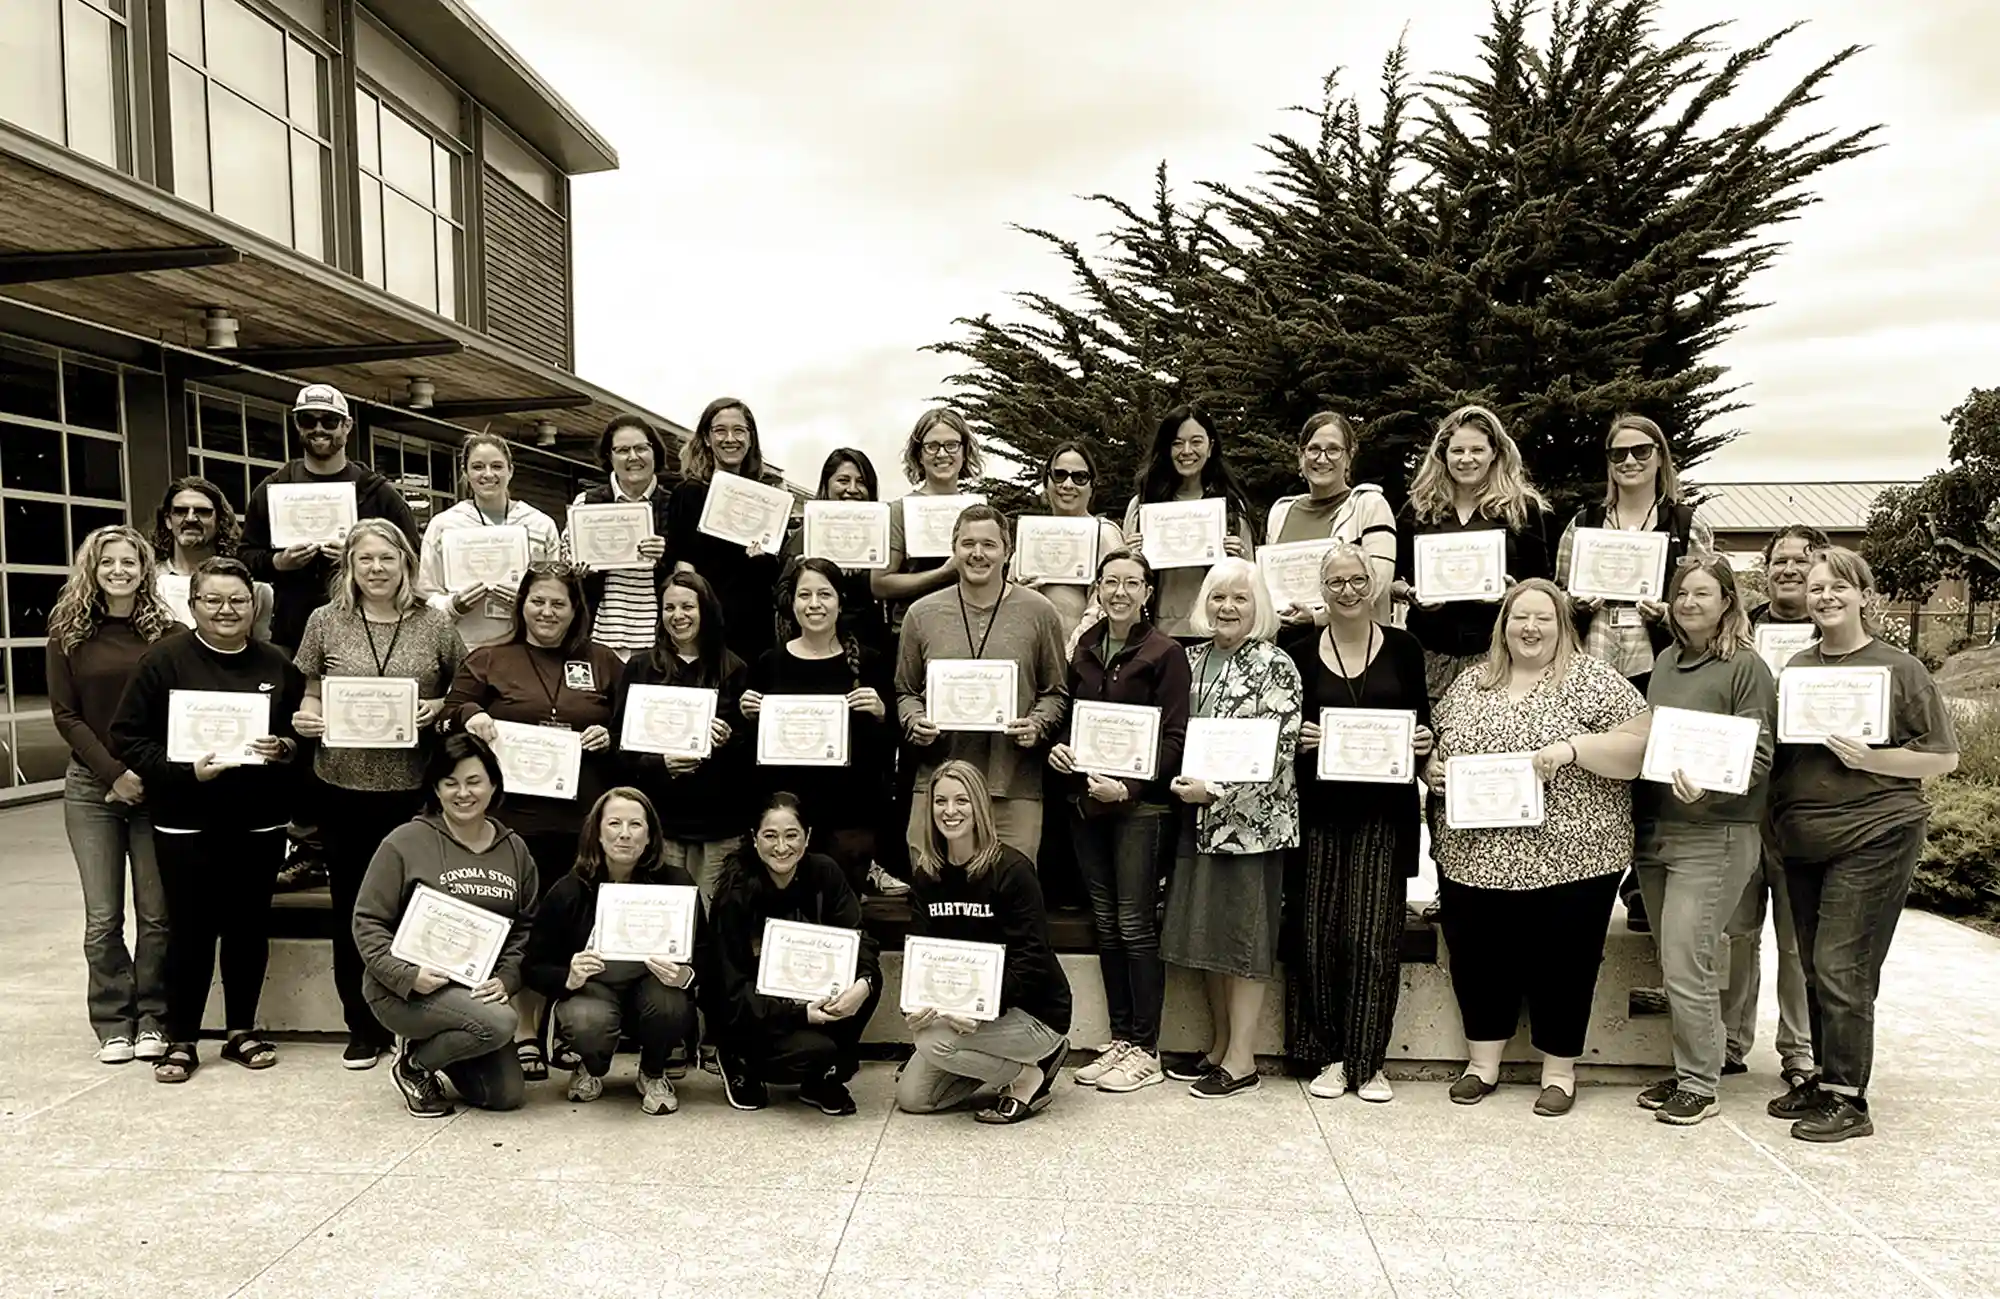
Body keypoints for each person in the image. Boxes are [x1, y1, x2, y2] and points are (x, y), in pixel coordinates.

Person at [1424, 579, 1648, 1116]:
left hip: (1574, 856)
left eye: (1543, 618)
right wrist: (1432, 770)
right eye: (1519, 617)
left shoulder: (1594, 681)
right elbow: (1438, 747)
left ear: (1562, 625)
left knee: (1565, 964)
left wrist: (1574, 749)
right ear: (1503, 624)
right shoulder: (1470, 683)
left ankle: (1559, 1072)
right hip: (1473, 859)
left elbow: (1639, 749)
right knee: (1478, 960)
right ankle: (1483, 1064)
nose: (1530, 628)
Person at [1765, 548, 1959, 1143]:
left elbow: (1943, 757)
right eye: (1817, 588)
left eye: (1838, 588)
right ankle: (1825, 1078)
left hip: (1875, 831)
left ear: (1862, 595)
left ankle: (1849, 1099)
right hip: (1804, 838)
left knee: (1840, 965)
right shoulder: (1796, 669)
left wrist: (1873, 759)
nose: (1825, 597)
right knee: (1816, 969)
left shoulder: (1898, 669)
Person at [110, 558, 305, 1084]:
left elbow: (300, 736)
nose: (226, 610)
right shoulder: (165, 661)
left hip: (258, 821)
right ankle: (183, 1038)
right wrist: (183, 770)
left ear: (254, 606)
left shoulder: (276, 663)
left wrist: (284, 746)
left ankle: (242, 1030)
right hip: (185, 820)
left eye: (237, 600)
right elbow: (127, 736)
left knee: (248, 928)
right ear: (193, 606)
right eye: (213, 600)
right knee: (190, 932)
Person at [290, 521, 465, 1070]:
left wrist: (436, 709)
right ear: (350, 566)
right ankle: (361, 1025)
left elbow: (462, 691)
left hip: (411, 792)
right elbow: (310, 693)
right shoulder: (326, 621)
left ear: (405, 563)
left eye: (386, 558)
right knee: (356, 908)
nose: (376, 569)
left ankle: (414, 1018)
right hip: (342, 786)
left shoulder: (434, 623)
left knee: (417, 909)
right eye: (364, 559)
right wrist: (308, 719)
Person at [446, 561, 622, 1080]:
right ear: (522, 604)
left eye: (559, 603)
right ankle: (523, 1032)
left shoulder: (604, 661)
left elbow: (626, 723)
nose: (547, 612)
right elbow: (455, 705)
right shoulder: (490, 657)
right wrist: (470, 717)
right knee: (521, 929)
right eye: (538, 601)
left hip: (582, 823)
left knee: (572, 929)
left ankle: (564, 1028)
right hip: (513, 822)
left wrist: (607, 736)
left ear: (575, 610)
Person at [1631, 556, 1776, 1125]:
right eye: (1682, 594)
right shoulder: (1666, 661)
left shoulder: (1746, 667)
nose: (1690, 603)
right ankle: (1691, 1066)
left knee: (1689, 963)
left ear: (1727, 602)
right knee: (1675, 962)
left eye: (1703, 594)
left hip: (1713, 832)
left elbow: (1759, 755)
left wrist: (1709, 795)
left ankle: (1700, 1084)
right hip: (1658, 829)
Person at [1285, 545, 1433, 1102]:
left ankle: (1368, 1062)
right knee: (1318, 936)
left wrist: (1423, 743)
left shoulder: (1404, 647)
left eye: (1356, 580)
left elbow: (1422, 724)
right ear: (1321, 589)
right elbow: (1284, 732)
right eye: (1335, 581)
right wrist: (1301, 740)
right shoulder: (1297, 652)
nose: (1347, 591)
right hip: (1320, 810)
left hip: (1383, 813)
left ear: (1373, 585)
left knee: (1372, 938)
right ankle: (1329, 1055)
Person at [1556, 414, 1714, 931]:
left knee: (1655, 776)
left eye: (1641, 452)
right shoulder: (1582, 523)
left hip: (1660, 661)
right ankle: (1586, 879)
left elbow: (1707, 599)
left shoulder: (1687, 525)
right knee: (1594, 772)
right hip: (1595, 663)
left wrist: (1668, 612)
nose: (1629, 462)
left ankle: (1643, 889)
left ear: (1660, 458)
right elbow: (1557, 601)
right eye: (1619, 453)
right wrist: (1576, 603)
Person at [1158, 559, 1303, 1099]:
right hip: (1194, 823)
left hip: (1250, 827)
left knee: (1243, 940)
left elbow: (1278, 752)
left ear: (1258, 606)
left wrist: (1215, 792)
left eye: (1240, 599)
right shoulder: (1188, 660)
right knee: (1210, 937)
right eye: (1218, 597)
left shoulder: (1276, 665)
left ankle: (1242, 1060)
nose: (1227, 608)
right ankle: (1220, 1047)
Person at [1050, 549, 1190, 1094]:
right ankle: (1120, 1039)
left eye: (1132, 583)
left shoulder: (1166, 653)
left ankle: (1145, 1047)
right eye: (1111, 582)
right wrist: (1062, 753)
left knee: (1134, 924)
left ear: (1148, 593)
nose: (1120, 593)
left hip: (1139, 809)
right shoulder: (1084, 648)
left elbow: (1175, 738)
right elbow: (1074, 721)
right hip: (1088, 806)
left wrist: (1129, 786)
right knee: (1106, 923)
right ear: (1098, 591)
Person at [352, 733, 538, 1117]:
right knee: (502, 1022)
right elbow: (367, 921)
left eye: (474, 782)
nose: (463, 793)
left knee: (504, 1096)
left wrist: (506, 978)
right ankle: (414, 1067)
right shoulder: (404, 842)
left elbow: (526, 927)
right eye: (450, 783)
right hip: (405, 991)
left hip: (474, 992)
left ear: (493, 785)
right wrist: (407, 974)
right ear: (435, 788)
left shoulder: (515, 849)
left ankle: (434, 1050)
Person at [49, 525, 181, 1064]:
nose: (120, 571)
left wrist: (144, 772)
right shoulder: (69, 632)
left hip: (153, 784)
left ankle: (153, 1017)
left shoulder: (168, 632)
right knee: (103, 916)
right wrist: (112, 775)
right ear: (93, 569)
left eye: (130, 562)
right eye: (109, 563)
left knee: (156, 913)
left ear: (145, 569)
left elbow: (178, 707)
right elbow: (66, 715)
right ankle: (113, 1021)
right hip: (90, 787)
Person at [896, 762, 1073, 1124]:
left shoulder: (1013, 870)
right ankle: (998, 1063)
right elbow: (922, 953)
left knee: (933, 1043)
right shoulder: (927, 876)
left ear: (979, 806)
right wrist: (914, 1006)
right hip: (963, 1010)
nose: (950, 811)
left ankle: (1028, 1075)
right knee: (913, 1098)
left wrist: (984, 1008)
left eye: (962, 800)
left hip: (1033, 1013)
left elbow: (1032, 959)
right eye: (940, 801)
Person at [894, 505, 1069, 865]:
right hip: (938, 787)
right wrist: (915, 722)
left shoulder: (1040, 612)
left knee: (1010, 904)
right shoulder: (921, 614)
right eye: (967, 543)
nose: (977, 553)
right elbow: (906, 692)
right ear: (953, 549)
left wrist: (1037, 725)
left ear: (1008, 551)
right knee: (935, 902)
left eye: (989, 544)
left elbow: (1055, 692)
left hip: (1013, 785)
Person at [1722, 523, 1830, 1086]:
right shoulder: (1742, 632)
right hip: (1744, 802)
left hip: (1806, 804)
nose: (1789, 569)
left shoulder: (1838, 635)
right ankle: (1730, 1042)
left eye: (1802, 559)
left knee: (1795, 938)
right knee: (1738, 934)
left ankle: (1799, 1050)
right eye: (1779, 560)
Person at [523, 787, 704, 1114]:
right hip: (594, 991)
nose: (624, 834)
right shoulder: (569, 890)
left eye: (635, 825)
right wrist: (570, 975)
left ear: (650, 836)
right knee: (585, 1020)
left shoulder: (676, 884)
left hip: (652, 989)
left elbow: (705, 952)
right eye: (614, 824)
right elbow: (534, 965)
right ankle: (590, 1066)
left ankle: (652, 1073)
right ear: (597, 833)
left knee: (671, 1004)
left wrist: (686, 975)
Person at [708, 792, 884, 1116]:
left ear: (808, 837)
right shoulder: (734, 895)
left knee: (870, 979)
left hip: (813, 998)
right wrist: (799, 1014)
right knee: (819, 1049)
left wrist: (863, 985)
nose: (782, 847)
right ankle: (738, 1060)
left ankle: (822, 1080)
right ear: (753, 838)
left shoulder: (825, 873)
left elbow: (861, 941)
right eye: (770, 836)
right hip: (754, 1014)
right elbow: (729, 993)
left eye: (792, 835)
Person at [741, 558, 900, 897]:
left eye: (824, 594)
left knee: (841, 919)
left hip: (849, 821)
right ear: (792, 603)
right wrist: (749, 716)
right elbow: (752, 754)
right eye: (805, 595)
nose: (814, 604)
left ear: (840, 602)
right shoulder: (769, 663)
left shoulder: (869, 662)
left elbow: (889, 747)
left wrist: (882, 713)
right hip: (788, 823)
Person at [1393, 405, 1558, 703]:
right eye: (1457, 451)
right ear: (1442, 455)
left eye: (1477, 450)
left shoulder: (1521, 508)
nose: (1466, 459)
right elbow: (1394, 580)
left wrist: (1514, 594)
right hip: (1429, 651)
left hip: (1499, 653)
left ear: (1495, 452)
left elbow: (1544, 585)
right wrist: (1410, 594)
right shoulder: (1418, 509)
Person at [237, 384, 419, 652]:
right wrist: (278, 562)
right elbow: (245, 556)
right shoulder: (273, 489)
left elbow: (412, 554)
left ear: (347, 425)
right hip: (293, 633)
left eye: (330, 420)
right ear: (297, 424)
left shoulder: (378, 493)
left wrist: (359, 558)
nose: (318, 429)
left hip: (369, 631)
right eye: (308, 420)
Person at [612, 570, 750, 907]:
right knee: (664, 914)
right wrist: (660, 764)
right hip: (662, 818)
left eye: (688, 606)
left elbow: (750, 751)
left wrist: (729, 738)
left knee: (713, 916)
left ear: (706, 609)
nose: (678, 616)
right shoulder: (641, 668)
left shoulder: (734, 669)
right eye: (669, 608)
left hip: (719, 821)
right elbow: (619, 744)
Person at [416, 433, 565, 650]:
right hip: (465, 645)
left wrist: (527, 602)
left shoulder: (541, 525)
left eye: (497, 466)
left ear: (510, 471)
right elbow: (426, 592)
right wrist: (454, 605)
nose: (488, 474)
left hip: (527, 646)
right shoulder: (444, 525)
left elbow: (556, 590)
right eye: (477, 467)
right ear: (465, 473)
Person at [666, 397, 787, 665]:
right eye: (720, 430)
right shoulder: (689, 494)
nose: (730, 438)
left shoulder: (769, 499)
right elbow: (683, 567)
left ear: (751, 438)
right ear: (707, 439)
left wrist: (762, 558)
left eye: (739, 430)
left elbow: (776, 573)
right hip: (707, 628)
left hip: (754, 631)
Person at [1121, 405, 1257, 642]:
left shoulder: (1231, 509)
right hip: (1155, 633)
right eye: (1176, 443)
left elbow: (1250, 579)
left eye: (1196, 442)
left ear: (1211, 446)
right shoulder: (1142, 505)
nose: (1186, 451)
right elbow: (1125, 574)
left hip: (1215, 632)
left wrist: (1237, 558)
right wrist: (1131, 555)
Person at [1265, 413, 1397, 625]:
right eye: (1313, 449)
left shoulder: (1370, 505)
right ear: (1301, 456)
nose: (1322, 458)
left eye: (1333, 450)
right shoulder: (1281, 511)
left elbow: (1376, 585)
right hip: (1289, 645)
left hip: (1353, 646)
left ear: (1349, 457)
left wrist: (1318, 618)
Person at [873, 408, 987, 635]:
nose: (942, 454)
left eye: (952, 445)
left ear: (964, 451)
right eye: (932, 446)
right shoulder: (899, 510)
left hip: (970, 632)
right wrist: (943, 573)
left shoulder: (979, 511)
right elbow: (879, 584)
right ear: (919, 455)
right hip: (913, 632)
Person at [572, 414, 675, 660]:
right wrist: (576, 569)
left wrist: (668, 554)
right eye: (622, 450)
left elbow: (694, 570)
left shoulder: (675, 505)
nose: (633, 457)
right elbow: (567, 571)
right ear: (610, 456)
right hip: (600, 636)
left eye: (641, 448)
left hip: (659, 639)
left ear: (655, 452)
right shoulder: (586, 503)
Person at [1016, 441, 1130, 647]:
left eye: (1079, 477)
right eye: (1059, 475)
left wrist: (1073, 652)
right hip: (1034, 653)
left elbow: (1108, 601)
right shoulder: (1029, 535)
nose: (1067, 485)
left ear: (1091, 485)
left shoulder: (1105, 533)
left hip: (1089, 656)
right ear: (1046, 481)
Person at [784, 447, 890, 656]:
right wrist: (807, 576)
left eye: (861, 482)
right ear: (826, 485)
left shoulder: (884, 536)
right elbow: (782, 598)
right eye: (843, 480)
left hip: (870, 644)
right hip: (811, 646)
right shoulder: (803, 537)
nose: (852, 489)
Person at [150, 475, 273, 640]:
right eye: (180, 511)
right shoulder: (148, 582)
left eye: (202, 512)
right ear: (168, 521)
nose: (191, 518)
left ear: (219, 521)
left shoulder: (253, 586)